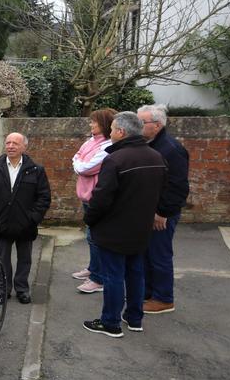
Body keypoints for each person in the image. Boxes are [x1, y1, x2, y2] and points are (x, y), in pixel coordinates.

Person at [83, 112, 167, 337]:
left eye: (111, 130)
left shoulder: (115, 159)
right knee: (136, 274)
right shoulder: (155, 157)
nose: (110, 134)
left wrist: (90, 219)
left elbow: (101, 197)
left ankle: (110, 322)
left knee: (113, 276)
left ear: (120, 132)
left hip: (114, 230)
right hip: (141, 229)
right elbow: (161, 193)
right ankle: (134, 317)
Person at [0, 132, 51, 305]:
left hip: (26, 225)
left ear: (24, 146)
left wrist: (33, 218)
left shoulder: (35, 170)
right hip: (1, 224)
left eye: (15, 143)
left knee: (25, 260)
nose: (10, 146)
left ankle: (22, 289)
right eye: (8, 142)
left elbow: (43, 197)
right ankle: (3, 290)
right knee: (2, 259)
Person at [138, 104, 190, 315]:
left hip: (161, 213)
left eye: (142, 122)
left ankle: (163, 298)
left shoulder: (171, 149)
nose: (138, 126)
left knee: (159, 254)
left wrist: (163, 212)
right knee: (147, 254)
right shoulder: (151, 145)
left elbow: (178, 186)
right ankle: (148, 293)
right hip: (149, 211)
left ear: (157, 125)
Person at [72, 109, 116, 295]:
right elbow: (77, 157)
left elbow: (85, 167)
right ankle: (93, 268)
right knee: (91, 237)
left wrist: (78, 162)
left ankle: (99, 278)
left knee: (95, 237)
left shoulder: (107, 146)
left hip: (95, 197)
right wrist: (78, 161)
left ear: (104, 124)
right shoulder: (91, 141)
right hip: (86, 196)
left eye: (94, 122)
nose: (91, 125)